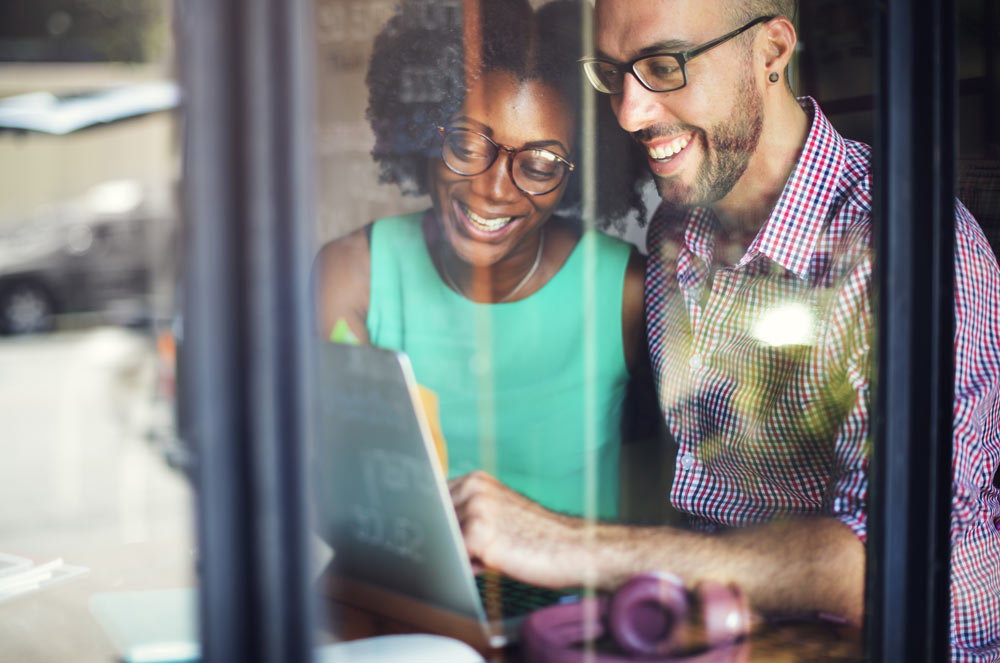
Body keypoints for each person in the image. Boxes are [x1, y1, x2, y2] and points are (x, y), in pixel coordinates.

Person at [448, 0, 1000, 659]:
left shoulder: (910, 243)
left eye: (664, 65)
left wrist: (569, 547)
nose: (630, 112)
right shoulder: (675, 235)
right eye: (614, 72)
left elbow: (888, 560)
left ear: (770, 52)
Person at [314, 0, 649, 520]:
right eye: (470, 144)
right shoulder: (353, 276)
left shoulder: (624, 292)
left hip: (568, 599)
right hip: (401, 592)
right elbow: (334, 482)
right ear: (427, 134)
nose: (493, 191)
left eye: (540, 164)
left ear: (576, 177)